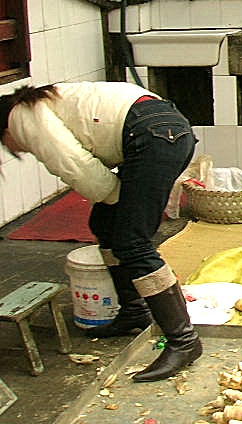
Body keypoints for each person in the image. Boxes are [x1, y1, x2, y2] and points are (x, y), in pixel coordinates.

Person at [0, 82, 200, 382]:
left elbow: (77, 167)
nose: (13, 149)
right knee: (105, 225)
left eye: (6, 143)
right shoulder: (41, 102)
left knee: (132, 242)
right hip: (163, 127)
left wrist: (123, 202)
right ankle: (134, 311)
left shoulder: (22, 117)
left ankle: (184, 342)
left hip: (152, 137)